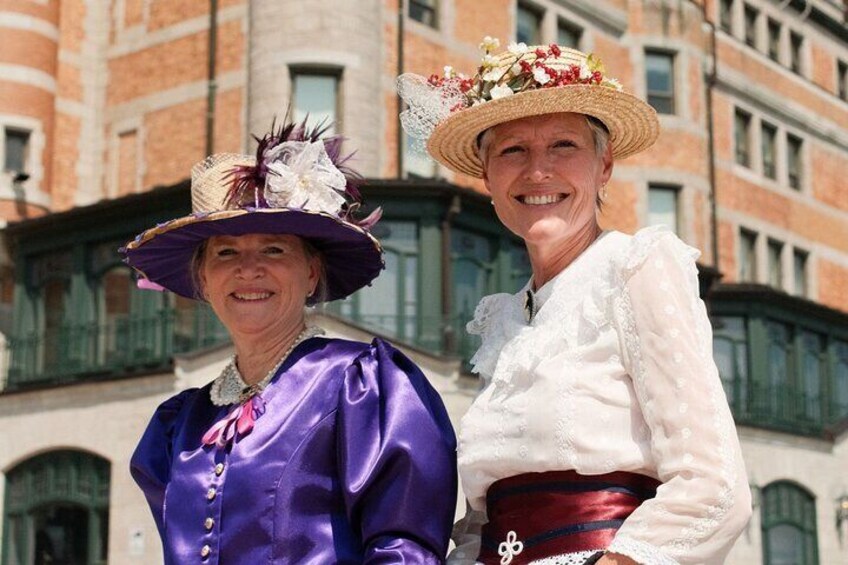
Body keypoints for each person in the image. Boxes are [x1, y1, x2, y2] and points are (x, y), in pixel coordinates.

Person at [398, 40, 751, 564]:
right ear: (487, 176)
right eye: (512, 150)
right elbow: (483, 519)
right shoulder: (504, 320)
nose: (538, 171)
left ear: (603, 166)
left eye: (563, 145)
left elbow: (712, 483)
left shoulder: (637, 267)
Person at [123, 118, 457, 564]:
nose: (248, 268)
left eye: (274, 249)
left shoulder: (363, 387)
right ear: (203, 279)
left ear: (312, 272)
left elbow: (404, 550)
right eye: (226, 253)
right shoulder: (176, 425)